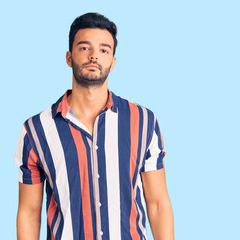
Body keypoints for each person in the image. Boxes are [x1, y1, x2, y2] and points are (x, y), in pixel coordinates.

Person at [15, 12, 174, 240]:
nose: (94, 56)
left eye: (103, 50)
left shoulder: (144, 121)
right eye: (84, 48)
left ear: (113, 61)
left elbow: (157, 203)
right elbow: (29, 212)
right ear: (69, 57)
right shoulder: (36, 130)